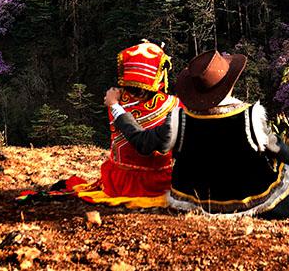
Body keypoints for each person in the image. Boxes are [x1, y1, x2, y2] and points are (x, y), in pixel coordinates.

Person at [105, 48, 289, 218]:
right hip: (251, 203)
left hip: (196, 203)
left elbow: (141, 142)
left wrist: (116, 107)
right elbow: (282, 152)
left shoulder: (179, 120)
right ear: (230, 83)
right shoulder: (251, 117)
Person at [19, 40, 179, 207]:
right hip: (158, 183)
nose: (136, 94)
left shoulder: (115, 100)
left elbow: (141, 142)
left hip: (121, 182)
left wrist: (115, 105)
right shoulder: (175, 105)